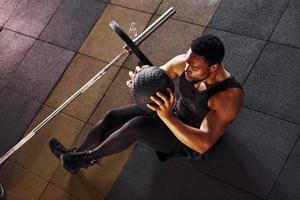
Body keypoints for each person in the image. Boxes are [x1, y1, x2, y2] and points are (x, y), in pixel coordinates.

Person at [49, 35, 244, 174]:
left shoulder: (227, 98)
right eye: (187, 62)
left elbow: (203, 144)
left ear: (213, 67)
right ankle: (75, 156)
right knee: (112, 117)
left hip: (187, 138)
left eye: (193, 68)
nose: (186, 70)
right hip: (171, 110)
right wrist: (140, 80)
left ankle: (84, 160)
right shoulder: (183, 64)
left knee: (136, 127)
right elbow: (157, 76)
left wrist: (167, 117)